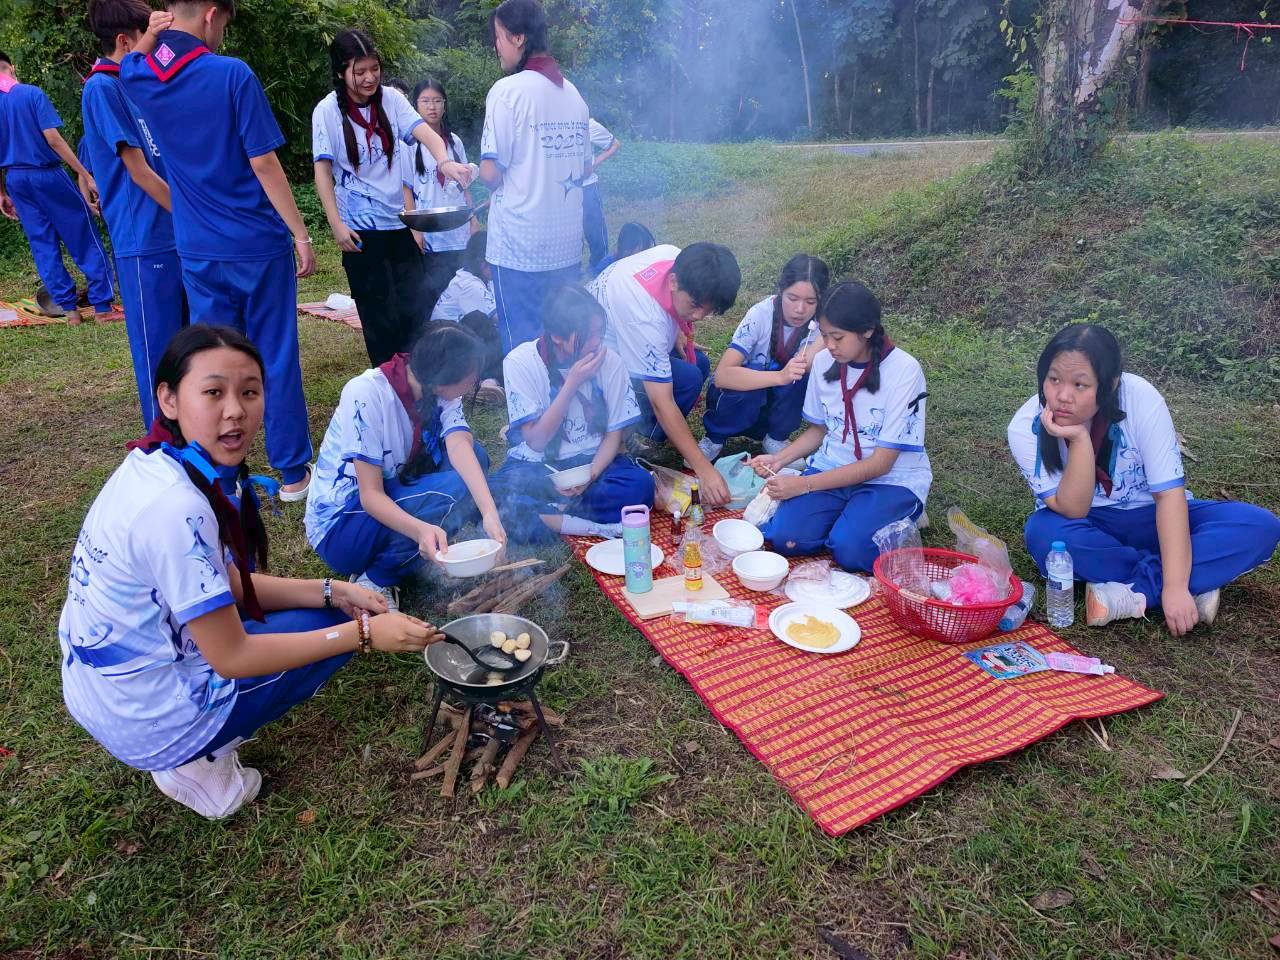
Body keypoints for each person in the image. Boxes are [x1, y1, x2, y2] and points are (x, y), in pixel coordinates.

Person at [58, 325, 444, 820]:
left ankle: (187, 743)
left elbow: (227, 583)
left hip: (100, 689)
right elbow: (233, 656)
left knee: (328, 613)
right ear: (169, 399)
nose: (235, 410)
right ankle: (193, 762)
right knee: (332, 633)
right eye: (213, 392)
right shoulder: (175, 509)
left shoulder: (156, 461)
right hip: (148, 715)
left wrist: (332, 590)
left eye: (249, 392)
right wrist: (364, 635)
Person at [120, 2, 316, 501]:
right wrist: (300, 232)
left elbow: (129, 63)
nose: (223, 33)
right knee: (273, 353)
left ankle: (220, 476)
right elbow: (264, 163)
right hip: (256, 244)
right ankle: (293, 473)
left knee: (210, 363)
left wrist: (152, 33)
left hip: (197, 250)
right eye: (224, 23)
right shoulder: (232, 74)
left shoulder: (146, 78)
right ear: (212, 15)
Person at [1008, 323, 1280, 634]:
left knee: (1259, 526)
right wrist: (1080, 439)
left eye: (1080, 385)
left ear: (1110, 385)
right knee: (1044, 535)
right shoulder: (1025, 427)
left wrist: (1175, 587)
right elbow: (1073, 509)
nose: (1062, 396)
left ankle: (1138, 591)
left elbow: (1168, 496)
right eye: (1053, 379)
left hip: (1152, 516)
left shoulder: (1142, 399)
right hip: (1088, 526)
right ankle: (1194, 576)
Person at [305, 323, 508, 610]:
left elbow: (459, 446)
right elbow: (370, 495)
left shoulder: (433, 385)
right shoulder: (367, 393)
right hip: (342, 527)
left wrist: (489, 514)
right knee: (456, 489)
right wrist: (419, 530)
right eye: (470, 380)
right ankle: (374, 579)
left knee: (476, 457)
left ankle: (419, 546)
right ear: (440, 381)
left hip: (391, 487)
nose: (473, 384)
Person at [751, 281, 931, 573]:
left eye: (837, 337)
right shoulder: (824, 362)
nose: (830, 345)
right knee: (786, 538)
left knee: (850, 551)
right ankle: (853, 519)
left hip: (890, 479)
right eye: (824, 335)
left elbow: (882, 464)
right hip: (832, 466)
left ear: (867, 330)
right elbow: (819, 430)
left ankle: (900, 513)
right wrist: (779, 459)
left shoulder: (904, 371)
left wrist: (805, 485)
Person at [313, 33, 470, 367]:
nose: (370, 78)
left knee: (415, 310)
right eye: (360, 71)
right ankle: (389, 381)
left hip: (398, 225)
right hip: (359, 233)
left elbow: (426, 134)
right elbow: (322, 172)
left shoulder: (392, 100)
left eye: (374, 68)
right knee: (379, 318)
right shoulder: (326, 111)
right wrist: (336, 225)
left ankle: (419, 379)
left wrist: (444, 161)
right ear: (341, 72)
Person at [83, 0, 188, 427]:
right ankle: (162, 443)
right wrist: (191, 215)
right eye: (149, 37)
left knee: (188, 349)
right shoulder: (102, 87)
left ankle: (193, 439)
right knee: (158, 356)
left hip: (173, 231)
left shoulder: (135, 83)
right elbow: (138, 171)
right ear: (125, 41)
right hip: (144, 241)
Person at [491, 284, 653, 543]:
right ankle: (588, 523)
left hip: (594, 460)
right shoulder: (520, 362)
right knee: (496, 494)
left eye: (600, 332)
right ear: (557, 336)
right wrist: (572, 384)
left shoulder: (610, 361)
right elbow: (537, 441)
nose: (596, 342)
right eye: (589, 335)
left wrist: (590, 475)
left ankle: (552, 515)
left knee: (640, 486)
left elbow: (614, 435)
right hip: (539, 466)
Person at [588, 241, 741, 507]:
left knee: (698, 364)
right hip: (594, 366)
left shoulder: (673, 256)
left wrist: (678, 328)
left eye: (708, 310)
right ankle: (627, 436)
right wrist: (704, 469)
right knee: (688, 379)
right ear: (673, 282)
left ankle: (644, 433)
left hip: (625, 333)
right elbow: (662, 402)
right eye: (695, 305)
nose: (699, 316)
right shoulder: (643, 317)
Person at [480, 0, 590, 353]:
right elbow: (586, 168)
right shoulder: (573, 94)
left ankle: (527, 391)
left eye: (498, 37)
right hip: (565, 245)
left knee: (522, 348)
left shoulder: (507, 92)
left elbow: (490, 173)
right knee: (560, 342)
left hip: (519, 247)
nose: (496, 46)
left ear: (518, 37)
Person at [0, 50, 115, 324]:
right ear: (11, 67)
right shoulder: (30, 94)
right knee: (82, 232)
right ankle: (102, 307)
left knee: (42, 243)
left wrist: (2, 193)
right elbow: (53, 139)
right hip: (46, 173)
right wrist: (84, 174)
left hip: (16, 180)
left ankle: (70, 311)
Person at [699, 254, 830, 463]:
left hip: (773, 411)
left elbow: (805, 366)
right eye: (792, 298)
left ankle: (776, 437)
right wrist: (779, 376)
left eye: (811, 301)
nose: (800, 309)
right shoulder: (760, 315)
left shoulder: (823, 324)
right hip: (739, 404)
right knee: (755, 373)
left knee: (801, 374)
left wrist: (824, 334)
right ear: (780, 290)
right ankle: (715, 437)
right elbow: (723, 375)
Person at [404, 76, 478, 314]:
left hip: (457, 229)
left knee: (461, 287)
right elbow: (406, 189)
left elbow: (465, 185)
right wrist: (415, 229)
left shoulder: (455, 142)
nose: (432, 107)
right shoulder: (408, 145)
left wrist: (473, 219)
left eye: (437, 101)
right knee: (433, 290)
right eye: (425, 101)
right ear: (415, 106)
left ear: (445, 105)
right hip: (430, 231)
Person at [431, 230, 503, 391]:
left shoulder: (479, 278)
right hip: (445, 354)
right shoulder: (470, 285)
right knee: (486, 327)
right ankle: (490, 380)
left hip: (453, 343)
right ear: (482, 263)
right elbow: (501, 319)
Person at [581, 118, 619, 272]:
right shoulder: (555, 125)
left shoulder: (589, 125)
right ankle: (573, 271)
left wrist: (594, 163)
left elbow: (614, 144)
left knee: (595, 233)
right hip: (564, 190)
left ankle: (599, 269)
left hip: (588, 187)